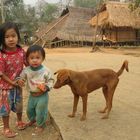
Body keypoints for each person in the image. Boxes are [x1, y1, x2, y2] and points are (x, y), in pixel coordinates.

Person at [17, 45, 54, 134]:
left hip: (42, 95)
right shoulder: (26, 70)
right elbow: (20, 77)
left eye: (38, 57)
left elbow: (51, 80)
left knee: (40, 110)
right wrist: (20, 81)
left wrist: (47, 87)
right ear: (27, 59)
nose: (34, 60)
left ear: (43, 58)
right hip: (32, 95)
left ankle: (40, 125)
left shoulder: (46, 71)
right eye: (31, 58)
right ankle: (33, 120)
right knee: (30, 110)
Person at [0, 22, 27, 138]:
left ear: (18, 36)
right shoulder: (1, 55)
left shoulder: (21, 52)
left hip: (18, 85)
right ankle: (6, 128)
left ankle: (19, 121)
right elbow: (1, 73)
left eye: (13, 36)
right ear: (2, 39)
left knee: (19, 105)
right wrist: (12, 82)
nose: (11, 39)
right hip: (5, 87)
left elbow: (28, 65)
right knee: (5, 108)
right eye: (7, 37)